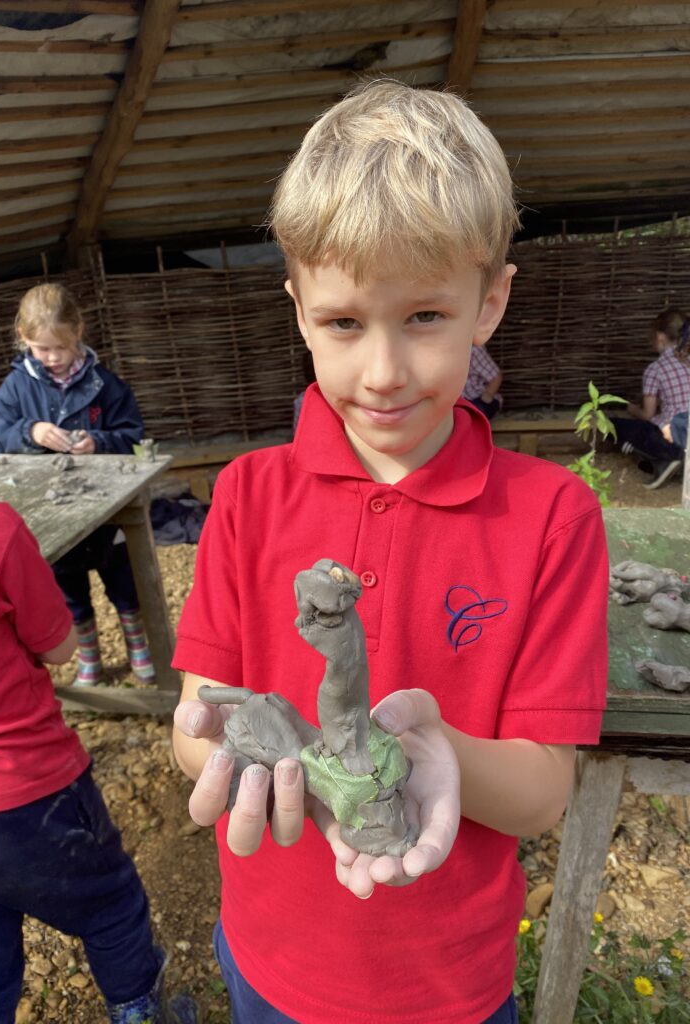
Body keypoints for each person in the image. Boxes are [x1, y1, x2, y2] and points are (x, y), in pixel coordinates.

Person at [171, 81, 609, 1024]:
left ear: (489, 301)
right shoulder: (247, 496)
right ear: (296, 311)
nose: (381, 372)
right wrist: (237, 743)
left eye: (423, 318)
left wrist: (437, 753)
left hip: (446, 985)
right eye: (343, 323)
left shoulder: (554, 517)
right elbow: (194, 713)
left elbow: (542, 793)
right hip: (270, 959)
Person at [0, 285, 197, 1024]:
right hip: (22, 793)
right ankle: (143, 1012)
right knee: (110, 905)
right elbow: (57, 646)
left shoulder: (102, 390)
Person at [0, 283, 155, 686]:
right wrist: (32, 432)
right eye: (41, 348)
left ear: (78, 332)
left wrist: (99, 442)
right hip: (51, 513)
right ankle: (89, 657)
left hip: (107, 511)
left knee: (123, 582)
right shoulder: (14, 389)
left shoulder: (107, 386)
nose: (51, 358)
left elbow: (134, 438)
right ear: (23, 338)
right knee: (68, 590)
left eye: (59, 348)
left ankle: (139, 647)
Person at [613, 307, 690, 490]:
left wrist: (631, 408)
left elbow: (648, 414)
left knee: (616, 426)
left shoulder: (655, 369)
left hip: (677, 433)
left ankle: (667, 459)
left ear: (660, 337)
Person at [462, 341, 503, 419]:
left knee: (475, 413)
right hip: (459, 403)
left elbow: (496, 377)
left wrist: (486, 397)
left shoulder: (474, 350)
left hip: (478, 398)